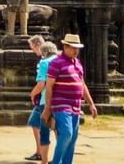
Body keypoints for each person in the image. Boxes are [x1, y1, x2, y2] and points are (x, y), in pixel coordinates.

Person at [41, 34, 98, 164]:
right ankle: (56, 161)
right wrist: (47, 108)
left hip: (76, 106)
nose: (76, 51)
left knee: (72, 139)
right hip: (61, 105)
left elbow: (82, 85)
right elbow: (49, 86)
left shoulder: (77, 63)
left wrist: (91, 104)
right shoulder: (56, 63)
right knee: (67, 133)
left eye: (77, 48)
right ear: (65, 47)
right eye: (73, 48)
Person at [26, 38, 57, 162]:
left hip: (45, 100)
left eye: (32, 47)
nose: (32, 50)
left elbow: (41, 84)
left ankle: (43, 158)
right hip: (61, 100)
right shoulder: (63, 62)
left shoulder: (44, 63)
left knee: (45, 132)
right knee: (56, 129)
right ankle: (58, 158)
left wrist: (32, 94)